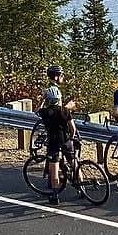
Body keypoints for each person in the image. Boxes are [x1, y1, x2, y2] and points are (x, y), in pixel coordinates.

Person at [37, 64, 79, 205]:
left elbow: (37, 109)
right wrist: (71, 137)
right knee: (73, 161)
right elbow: (72, 128)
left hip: (53, 140)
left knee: (54, 166)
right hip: (65, 138)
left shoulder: (45, 113)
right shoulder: (64, 111)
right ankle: (80, 187)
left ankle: (55, 195)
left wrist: (43, 99)